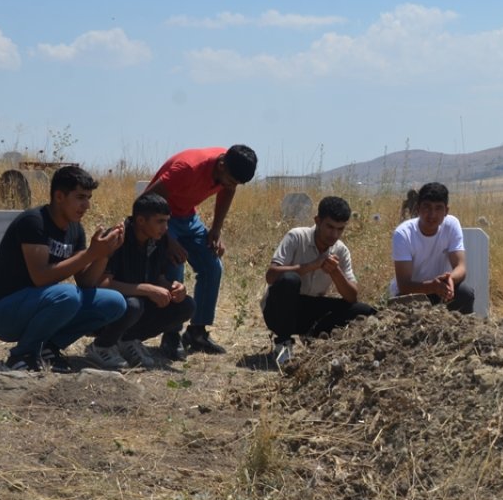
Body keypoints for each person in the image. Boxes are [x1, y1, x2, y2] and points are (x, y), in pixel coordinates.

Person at [0, 165, 127, 373]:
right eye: (80, 197)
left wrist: (104, 254)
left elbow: (85, 282)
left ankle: (49, 348)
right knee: (68, 295)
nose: (86, 205)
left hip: (36, 305)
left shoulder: (75, 229)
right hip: (2, 312)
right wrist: (91, 253)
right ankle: (22, 355)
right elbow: (41, 277)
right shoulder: (34, 222)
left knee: (114, 302)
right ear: (59, 196)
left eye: (89, 198)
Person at [141, 144, 257, 357]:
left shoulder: (229, 167)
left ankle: (197, 333)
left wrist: (216, 229)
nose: (232, 186)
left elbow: (228, 190)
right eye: (231, 181)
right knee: (175, 263)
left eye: (237, 184)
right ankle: (171, 334)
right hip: (163, 218)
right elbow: (145, 201)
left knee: (213, 265)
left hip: (188, 217)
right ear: (221, 165)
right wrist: (167, 238)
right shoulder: (187, 168)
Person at [264, 196, 377, 365]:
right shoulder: (296, 237)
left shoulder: (341, 250)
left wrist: (335, 272)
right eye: (330, 227)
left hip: (310, 310)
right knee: (289, 280)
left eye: (340, 229)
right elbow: (271, 275)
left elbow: (352, 296)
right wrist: (312, 266)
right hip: (278, 311)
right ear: (317, 221)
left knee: (364, 311)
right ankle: (283, 344)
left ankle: (315, 338)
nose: (334, 234)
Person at [87, 193, 196, 369]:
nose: (165, 227)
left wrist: (173, 288)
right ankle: (102, 345)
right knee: (133, 305)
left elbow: (158, 277)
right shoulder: (117, 237)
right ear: (140, 221)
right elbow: (102, 284)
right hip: (109, 310)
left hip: (138, 307)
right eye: (160, 221)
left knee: (186, 306)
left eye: (167, 221)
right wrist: (146, 289)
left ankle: (127, 340)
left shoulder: (158, 240)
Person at [390, 182, 474, 314]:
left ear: (446, 211)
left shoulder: (452, 224)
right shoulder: (403, 233)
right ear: (418, 209)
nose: (432, 214)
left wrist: (450, 279)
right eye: (427, 207)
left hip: (441, 289)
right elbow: (404, 285)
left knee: (465, 294)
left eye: (438, 208)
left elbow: (461, 267)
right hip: (412, 294)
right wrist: (431, 286)